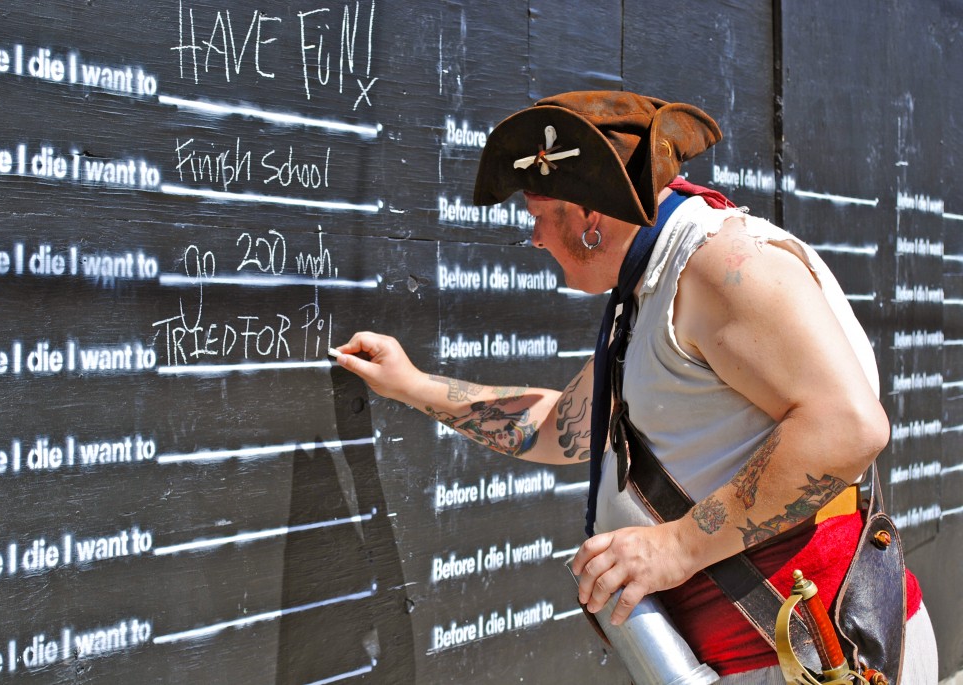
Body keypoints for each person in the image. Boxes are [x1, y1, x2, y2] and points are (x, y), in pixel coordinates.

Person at [332, 91, 937, 683]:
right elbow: (560, 427)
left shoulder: (719, 265)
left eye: (540, 216)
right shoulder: (656, 282)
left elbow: (848, 428)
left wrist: (676, 546)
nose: (535, 238)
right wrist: (412, 385)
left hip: (813, 661)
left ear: (590, 214)